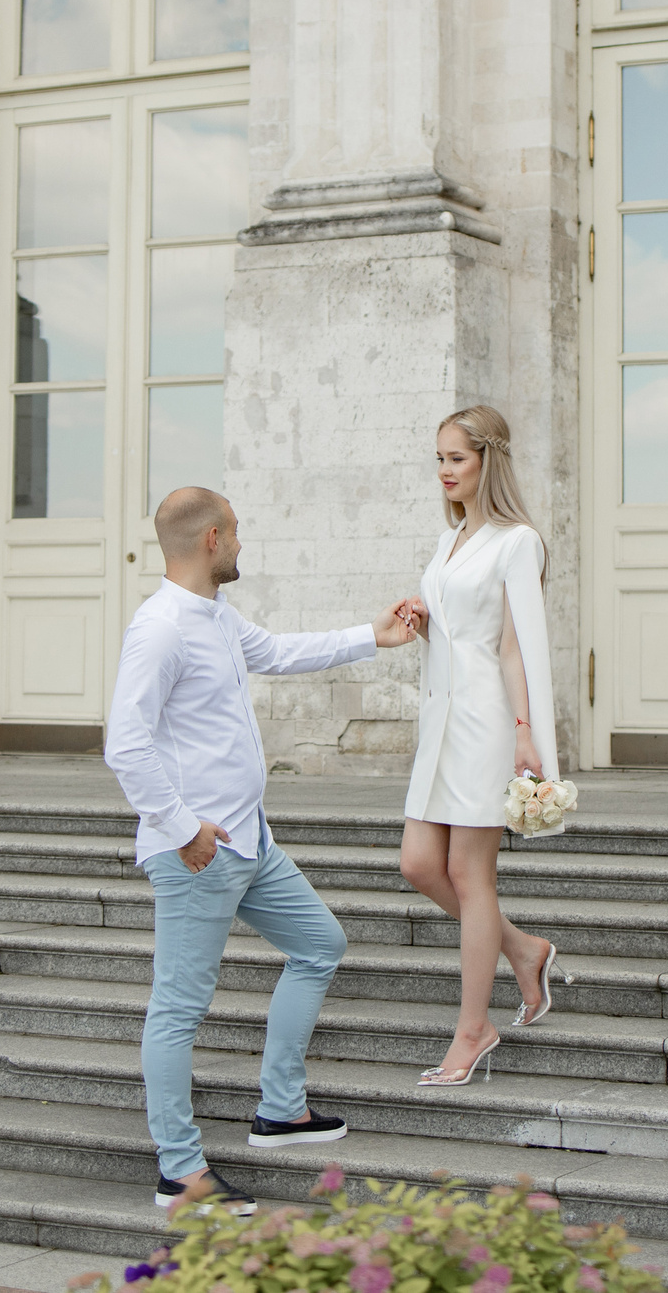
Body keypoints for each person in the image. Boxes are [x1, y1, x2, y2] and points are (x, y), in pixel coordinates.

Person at [103, 486, 425, 1217]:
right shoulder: (159, 627)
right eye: (239, 532)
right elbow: (125, 741)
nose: (244, 544)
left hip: (249, 839)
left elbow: (279, 651)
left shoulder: (216, 616)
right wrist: (182, 827)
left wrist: (372, 635)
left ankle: (280, 1110)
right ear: (212, 537)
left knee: (320, 941)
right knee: (178, 1007)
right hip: (197, 850)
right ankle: (180, 1172)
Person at [394, 404, 564, 1087]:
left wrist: (528, 735)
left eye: (456, 458)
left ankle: (474, 1027)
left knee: (471, 875)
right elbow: (460, 634)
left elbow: (516, 647)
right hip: (440, 719)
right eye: (438, 458)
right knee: (416, 862)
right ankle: (523, 949)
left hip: (488, 722)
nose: (444, 471)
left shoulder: (517, 541)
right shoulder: (450, 541)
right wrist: (424, 620)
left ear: (488, 459)